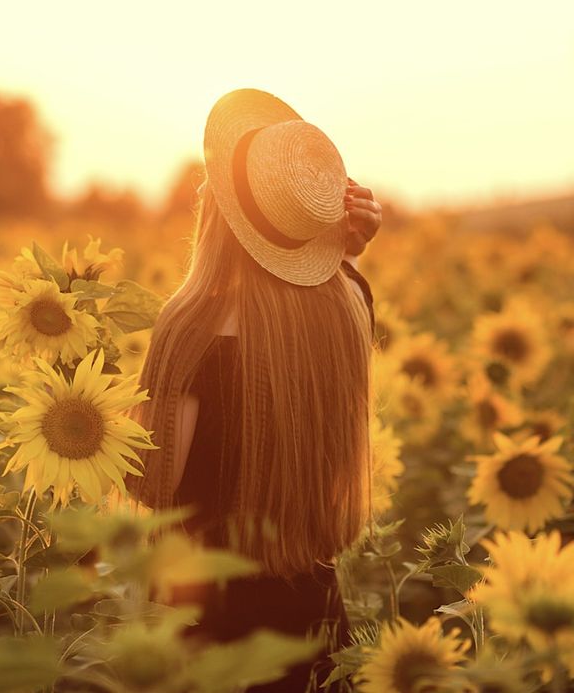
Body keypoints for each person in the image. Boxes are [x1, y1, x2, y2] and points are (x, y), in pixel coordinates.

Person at [125, 88, 383, 692]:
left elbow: (151, 482)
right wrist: (343, 255)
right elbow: (334, 289)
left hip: (211, 634)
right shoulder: (351, 308)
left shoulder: (189, 331)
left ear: (215, 210)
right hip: (318, 624)